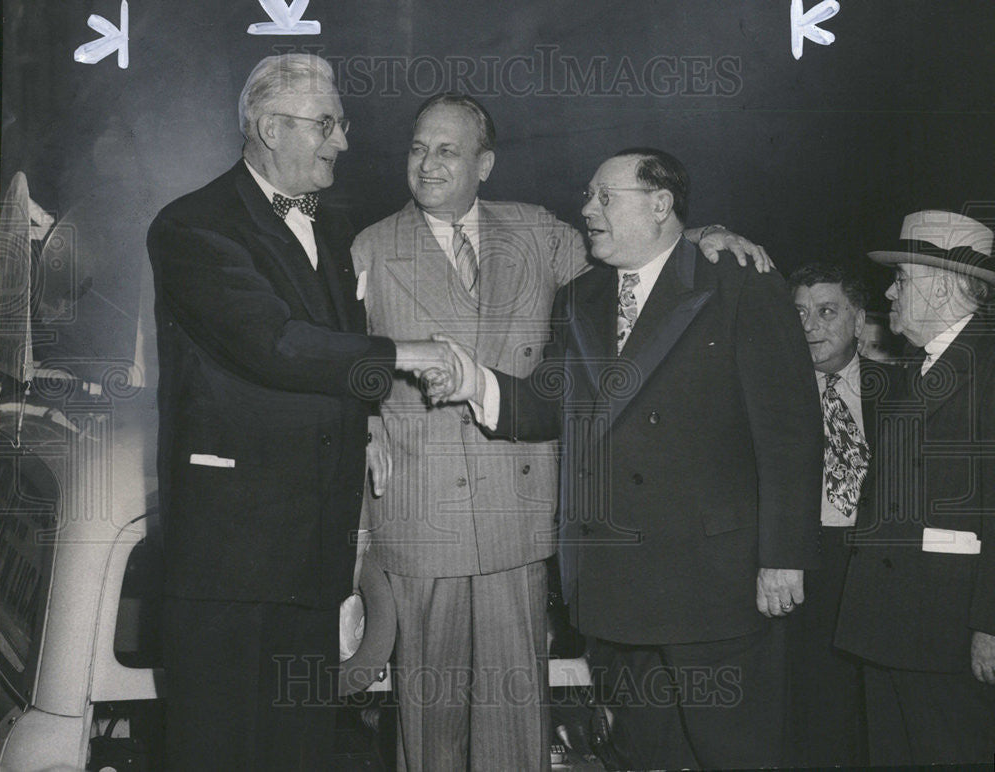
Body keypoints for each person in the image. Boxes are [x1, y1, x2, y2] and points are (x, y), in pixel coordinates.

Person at [350, 96, 771, 771]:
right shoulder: (368, 246)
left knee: (516, 720)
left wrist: (703, 236)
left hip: (518, 515)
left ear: (484, 164)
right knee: (428, 722)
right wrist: (361, 426)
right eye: (418, 148)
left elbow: (639, 260)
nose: (428, 163)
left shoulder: (539, 232)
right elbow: (338, 363)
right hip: (423, 519)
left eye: (448, 150)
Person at [435, 147, 823, 769]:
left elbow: (791, 434)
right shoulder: (579, 297)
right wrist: (473, 383)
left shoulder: (739, 284)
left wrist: (783, 557)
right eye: (589, 196)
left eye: (604, 196)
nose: (587, 209)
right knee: (642, 754)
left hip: (714, 585)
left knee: (734, 751)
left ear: (661, 204)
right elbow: (545, 403)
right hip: (616, 589)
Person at [147, 54, 458, 770]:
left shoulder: (327, 219)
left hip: (311, 552)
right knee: (221, 747)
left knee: (298, 748)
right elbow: (277, 344)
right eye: (326, 125)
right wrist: (405, 354)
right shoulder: (193, 226)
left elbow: (333, 356)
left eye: (339, 124)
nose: (342, 142)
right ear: (265, 128)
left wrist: (371, 421)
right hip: (232, 556)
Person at [834, 210, 995, 765]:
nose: (889, 290)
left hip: (949, 632)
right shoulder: (922, 366)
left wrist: (990, 624)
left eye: (902, 278)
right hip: (891, 623)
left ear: (946, 287)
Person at [786, 262, 902, 766]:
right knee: (811, 707)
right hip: (801, 565)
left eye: (827, 311)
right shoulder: (772, 395)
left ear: (859, 322)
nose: (811, 325)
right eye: (801, 313)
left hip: (877, 564)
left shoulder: (902, 390)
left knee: (875, 711)